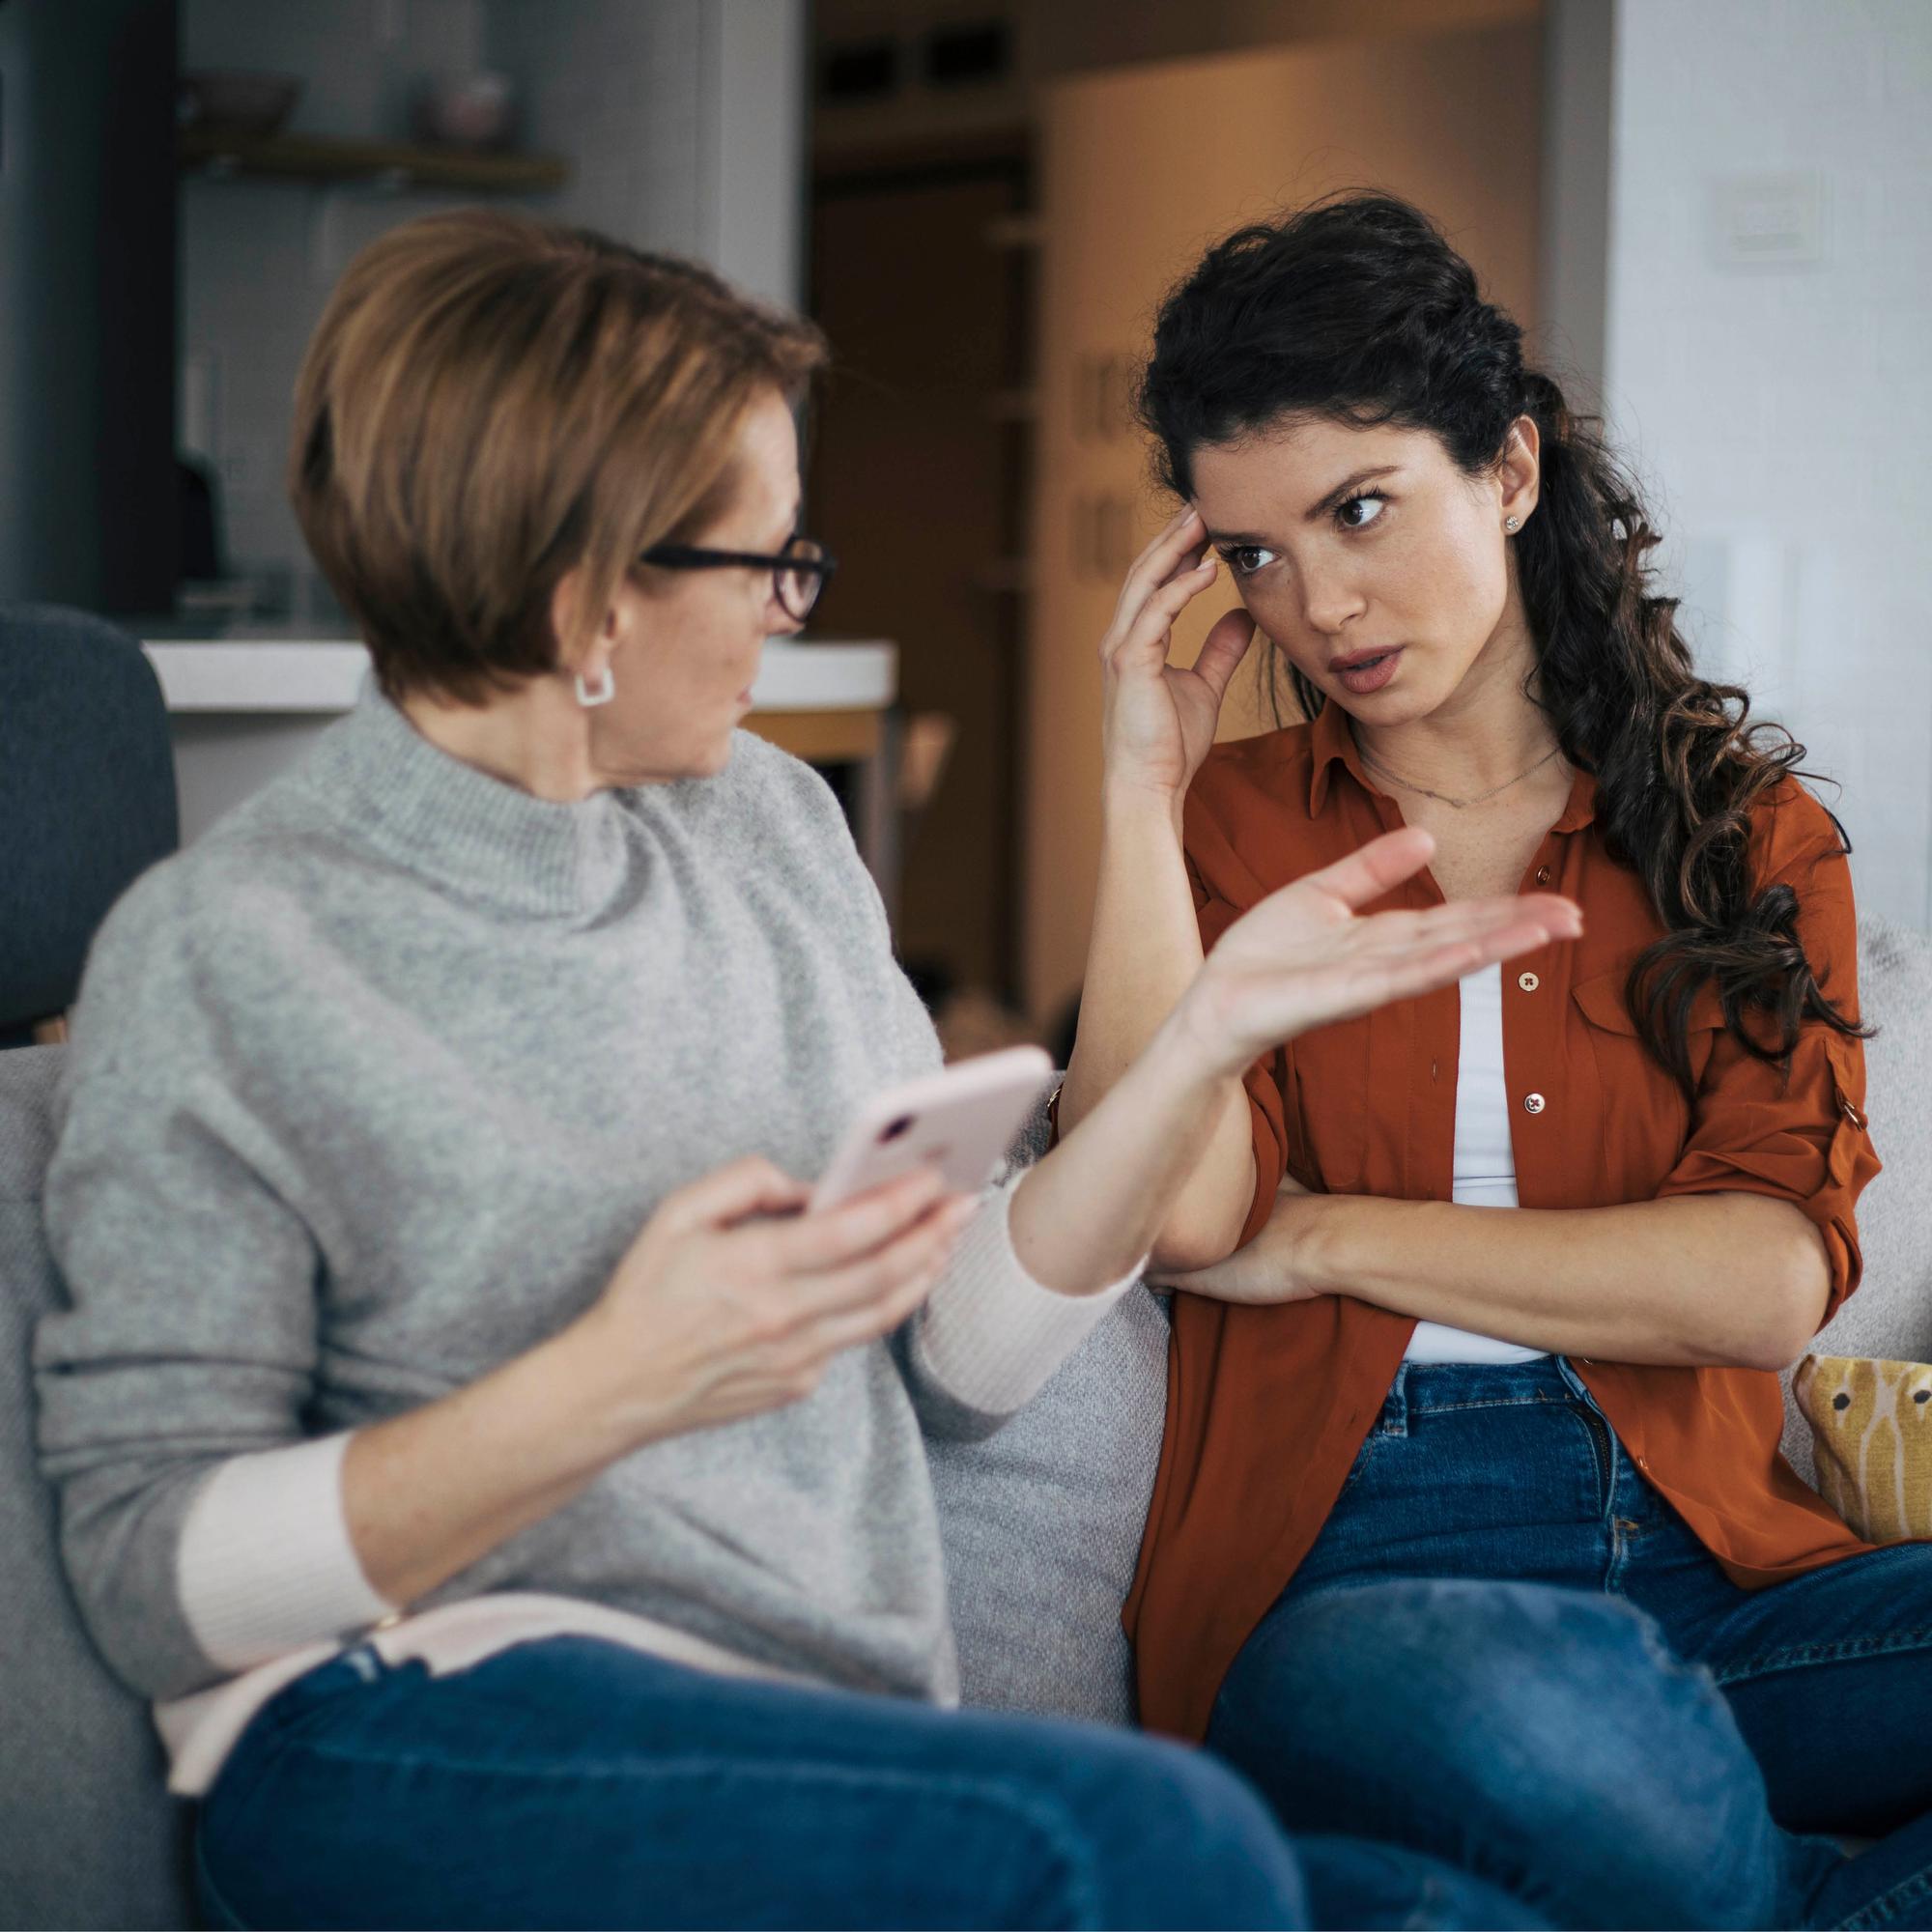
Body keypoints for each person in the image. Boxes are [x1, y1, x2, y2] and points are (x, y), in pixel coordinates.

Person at [33, 210, 1571, 1931]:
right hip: (418, 1720)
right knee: (1154, 1851)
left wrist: (1205, 1040)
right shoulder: (233, 948)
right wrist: (617, 1377)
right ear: (587, 595)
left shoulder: (769, 829)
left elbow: (956, 1372)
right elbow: (152, 1575)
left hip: (807, 1720)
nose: (791, 607)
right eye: (765, 561)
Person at [1058, 190, 1932, 1930]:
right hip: (1357, 1600)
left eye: (1361, 509)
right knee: (1522, 1723)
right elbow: (1173, 1214)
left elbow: (1762, 1284)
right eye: (1253, 553)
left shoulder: (1749, 838)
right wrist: (1140, 798)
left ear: (1512, 473)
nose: (1318, 602)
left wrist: (1320, 1238)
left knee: (1504, 1849)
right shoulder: (1232, 824)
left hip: (1710, 1580)